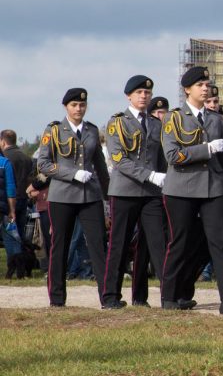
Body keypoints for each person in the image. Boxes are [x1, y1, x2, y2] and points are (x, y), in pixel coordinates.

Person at [160, 66, 223, 314]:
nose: (205, 88)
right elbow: (172, 155)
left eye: (207, 84)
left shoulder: (216, 119)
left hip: (213, 188)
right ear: (187, 89)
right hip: (181, 189)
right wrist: (206, 149)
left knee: (221, 243)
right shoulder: (173, 118)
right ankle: (171, 296)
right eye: (200, 85)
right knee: (180, 243)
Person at [36, 88, 110, 307]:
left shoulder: (92, 131)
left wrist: (107, 199)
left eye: (82, 105)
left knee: (98, 245)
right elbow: (43, 164)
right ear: (66, 107)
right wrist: (72, 174)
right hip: (63, 196)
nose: (79, 109)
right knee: (60, 246)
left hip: (90, 196)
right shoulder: (55, 130)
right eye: (74, 105)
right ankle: (57, 299)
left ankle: (107, 297)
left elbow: (101, 167)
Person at [101, 75, 167, 308]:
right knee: (119, 244)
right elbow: (119, 159)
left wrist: (162, 179)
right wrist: (150, 175)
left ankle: (166, 297)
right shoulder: (117, 122)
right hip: (125, 191)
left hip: (151, 194)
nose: (144, 96)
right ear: (129, 95)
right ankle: (110, 297)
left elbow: (161, 160)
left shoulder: (156, 123)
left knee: (158, 244)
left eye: (147, 93)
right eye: (139, 92)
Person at [1, 130, 32, 241]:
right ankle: (23, 256)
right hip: (23, 198)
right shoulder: (26, 158)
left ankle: (15, 256)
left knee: (9, 235)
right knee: (20, 232)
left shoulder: (4, 159)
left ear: (3, 141)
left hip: (9, 201)